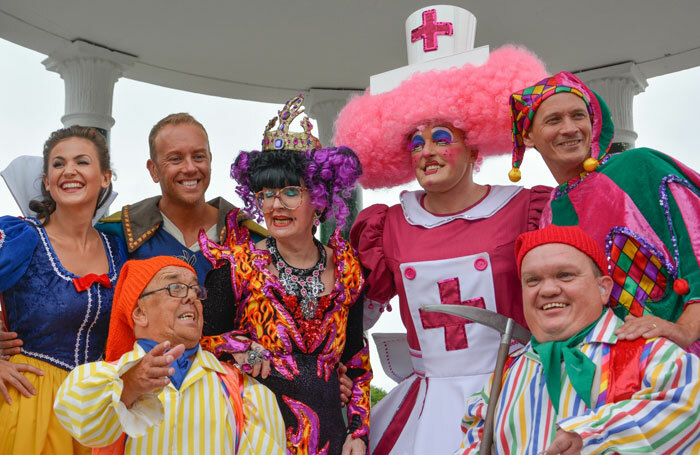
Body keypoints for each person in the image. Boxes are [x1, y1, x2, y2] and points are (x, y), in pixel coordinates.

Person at [334, 45, 549, 454]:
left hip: (518, 394)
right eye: (416, 143)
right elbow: (353, 319)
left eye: (442, 138)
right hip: (429, 406)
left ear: (474, 148)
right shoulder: (388, 226)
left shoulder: (526, 210)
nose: (427, 151)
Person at [198, 94, 371, 455]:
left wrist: (359, 431)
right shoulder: (237, 267)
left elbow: (356, 360)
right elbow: (199, 343)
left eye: (291, 192)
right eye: (266, 194)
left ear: (320, 199)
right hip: (255, 438)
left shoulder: (347, 270)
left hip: (332, 441)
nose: (275, 205)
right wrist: (241, 351)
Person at [455, 225, 700, 454]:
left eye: (565, 275)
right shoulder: (505, 374)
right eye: (533, 280)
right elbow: (475, 436)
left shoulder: (652, 354)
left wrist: (590, 436)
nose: (548, 290)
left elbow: (690, 411)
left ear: (603, 288)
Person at [508, 71, 700, 354]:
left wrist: (684, 329)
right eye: (553, 120)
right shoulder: (550, 213)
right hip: (615, 373)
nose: (570, 128)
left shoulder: (639, 167)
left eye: (578, 116)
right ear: (528, 136)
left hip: (684, 363)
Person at [53, 256, 286, 454]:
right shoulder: (101, 380)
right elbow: (83, 423)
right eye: (174, 288)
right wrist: (130, 384)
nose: (191, 297)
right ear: (139, 313)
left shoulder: (246, 393)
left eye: (195, 290)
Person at [0, 126, 127, 454]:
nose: (69, 170)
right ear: (46, 181)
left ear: (105, 178)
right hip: (31, 402)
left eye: (82, 162)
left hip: (97, 415)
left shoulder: (120, 250)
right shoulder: (20, 238)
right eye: (58, 164)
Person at [96, 113, 267, 284]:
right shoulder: (117, 235)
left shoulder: (251, 239)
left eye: (199, 156)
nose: (190, 168)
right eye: (176, 159)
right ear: (153, 170)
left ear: (210, 160)